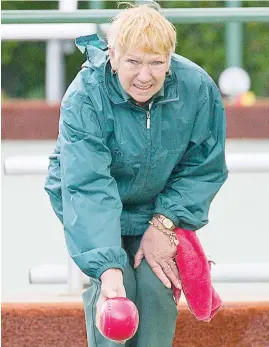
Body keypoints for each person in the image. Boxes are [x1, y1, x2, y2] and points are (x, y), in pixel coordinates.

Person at [45, 2, 228, 347]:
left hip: (156, 208)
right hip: (94, 205)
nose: (145, 76)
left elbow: (204, 165)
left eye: (157, 63)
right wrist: (109, 273)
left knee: (157, 290)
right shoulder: (85, 97)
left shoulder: (197, 89)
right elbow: (88, 187)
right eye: (133, 62)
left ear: (169, 58)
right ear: (113, 55)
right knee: (117, 290)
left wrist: (164, 223)